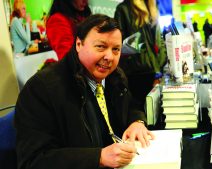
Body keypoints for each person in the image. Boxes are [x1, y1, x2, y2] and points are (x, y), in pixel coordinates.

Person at [15, 14, 154, 169]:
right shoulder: (42, 89)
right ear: (79, 44)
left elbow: (131, 106)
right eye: (101, 46)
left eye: (116, 49)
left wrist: (137, 122)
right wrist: (98, 157)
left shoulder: (115, 76)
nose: (109, 56)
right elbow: (33, 161)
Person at [114, 0, 167, 107]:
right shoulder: (123, 9)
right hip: (137, 73)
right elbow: (119, 43)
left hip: (156, 70)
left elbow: (159, 38)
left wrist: (162, 60)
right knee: (142, 111)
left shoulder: (153, 6)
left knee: (157, 112)